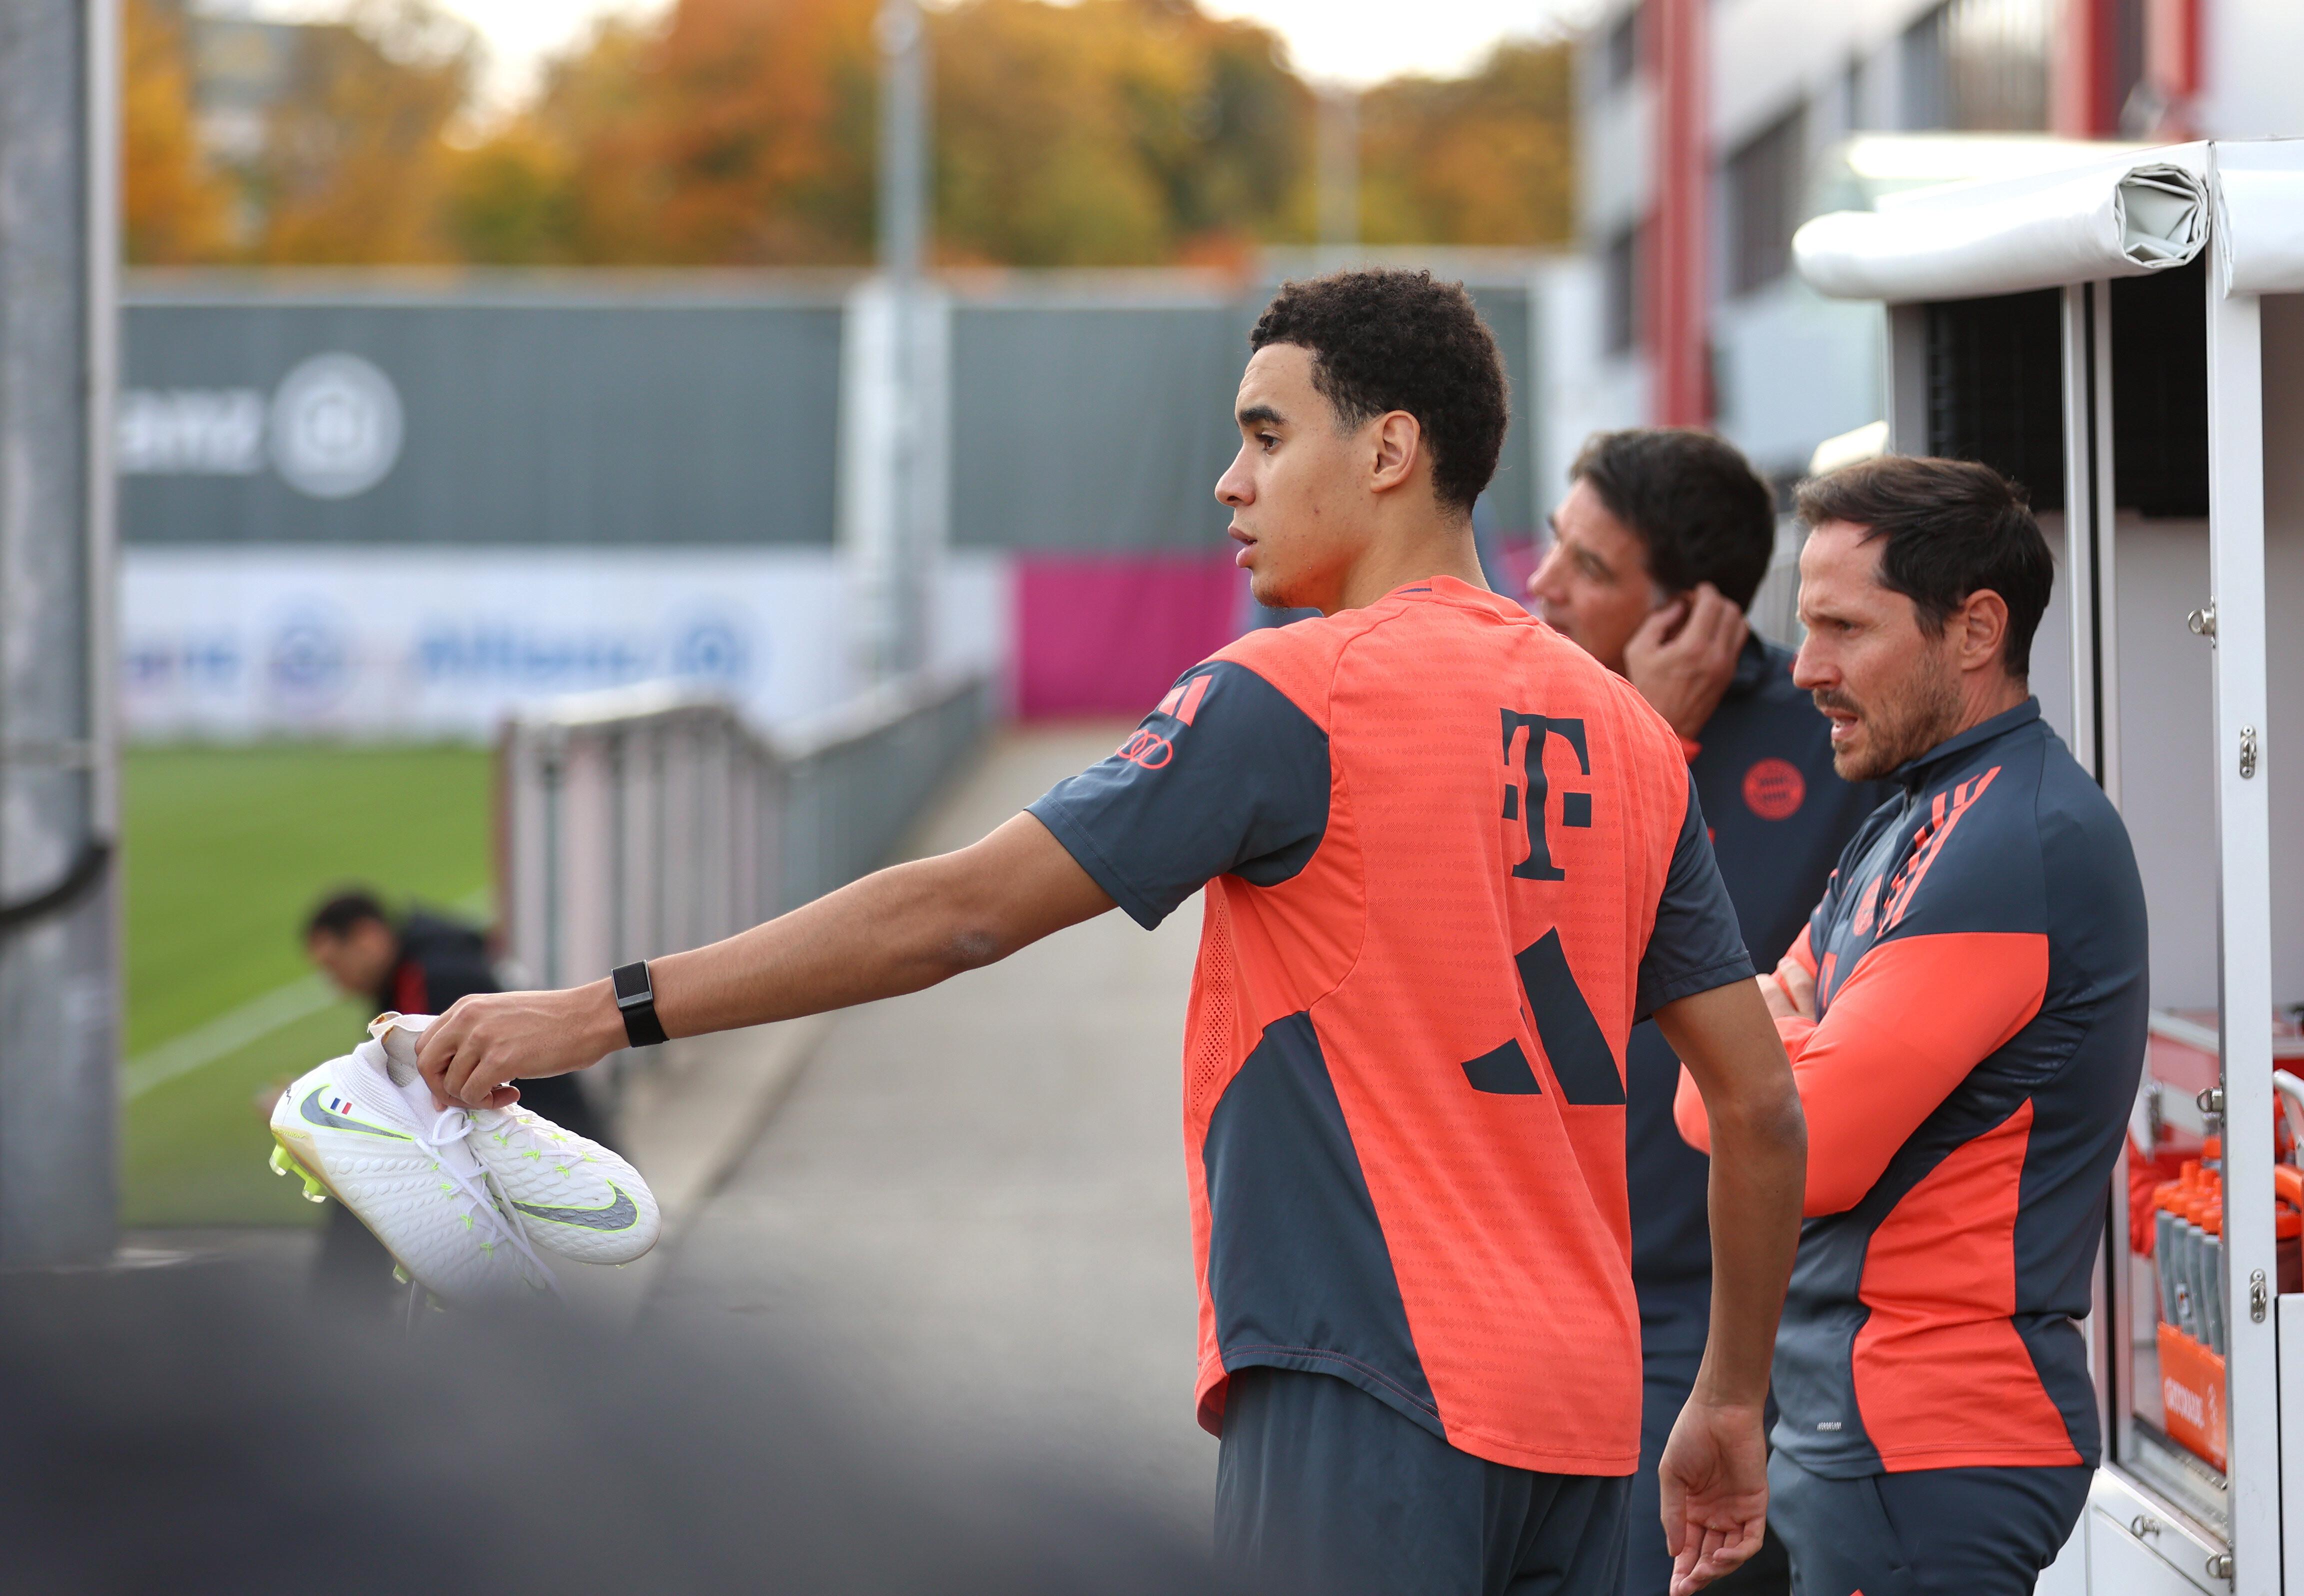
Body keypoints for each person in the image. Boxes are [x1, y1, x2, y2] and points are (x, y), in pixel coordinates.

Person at [416, 269, 1808, 1596]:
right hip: (1588, 1413)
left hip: (1371, 1387)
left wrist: (597, 1012)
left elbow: (958, 913)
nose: (1232, 483)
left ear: (1389, 449)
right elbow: (1755, 1103)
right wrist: (1731, 1400)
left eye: (1267, 436)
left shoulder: (1294, 693)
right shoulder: (1627, 730)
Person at [1674, 456, 2148, 1594]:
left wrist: (1776, 1041)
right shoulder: (1914, 809)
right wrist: (1770, 1060)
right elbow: (1714, 1099)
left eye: (1844, 627)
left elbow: (1798, 1139)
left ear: (1975, 628)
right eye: (1806, 627)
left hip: (1928, 1442)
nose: (1808, 671)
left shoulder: (2013, 841)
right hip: (1861, 1431)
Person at [1527, 429, 1887, 1596]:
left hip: (1719, 1303)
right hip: (1532, 1285)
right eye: (1552, 547)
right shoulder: (1525, 722)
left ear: (1691, 615)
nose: (1540, 584)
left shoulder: (1828, 740)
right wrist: (1644, 727)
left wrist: (1655, 741)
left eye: (1588, 565)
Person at [302, 890, 615, 1306]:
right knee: (372, 1151)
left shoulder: (428, 977)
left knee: (363, 1155)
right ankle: (345, 1304)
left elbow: (419, 1091)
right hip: (550, 1130)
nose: (336, 984)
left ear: (368, 938)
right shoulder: (435, 959)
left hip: (537, 1140)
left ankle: (341, 1309)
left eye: (333, 965)